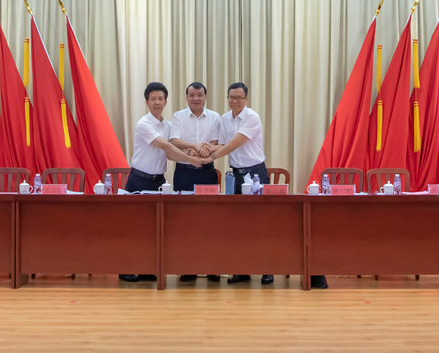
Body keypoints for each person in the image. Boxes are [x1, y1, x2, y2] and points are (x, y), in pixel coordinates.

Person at [202, 82, 328, 290]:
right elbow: (223, 144)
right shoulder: (224, 119)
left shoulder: (252, 117)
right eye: (231, 97)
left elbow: (235, 143)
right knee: (239, 224)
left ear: (246, 99)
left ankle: (267, 269)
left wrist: (211, 157)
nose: (234, 101)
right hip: (236, 175)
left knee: (262, 223)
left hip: (256, 174)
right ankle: (242, 270)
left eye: (239, 97)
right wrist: (206, 148)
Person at [119, 82, 203, 283]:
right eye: (153, 99)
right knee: (134, 227)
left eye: (160, 99)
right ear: (146, 102)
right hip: (139, 179)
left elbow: (172, 153)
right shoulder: (144, 124)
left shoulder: (168, 126)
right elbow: (165, 146)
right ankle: (125, 268)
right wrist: (191, 158)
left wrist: (192, 153)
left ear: (166, 102)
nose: (157, 102)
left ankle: (147, 268)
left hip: (158, 181)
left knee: (154, 228)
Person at [170, 81, 222, 283]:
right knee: (184, 220)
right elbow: (174, 141)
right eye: (192, 95)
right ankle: (187, 267)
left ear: (205, 97)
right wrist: (193, 147)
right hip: (183, 172)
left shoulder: (215, 117)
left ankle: (212, 267)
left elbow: (215, 143)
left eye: (199, 94)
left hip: (207, 172)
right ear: (187, 97)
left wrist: (201, 151)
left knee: (209, 219)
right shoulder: (178, 116)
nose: (196, 98)